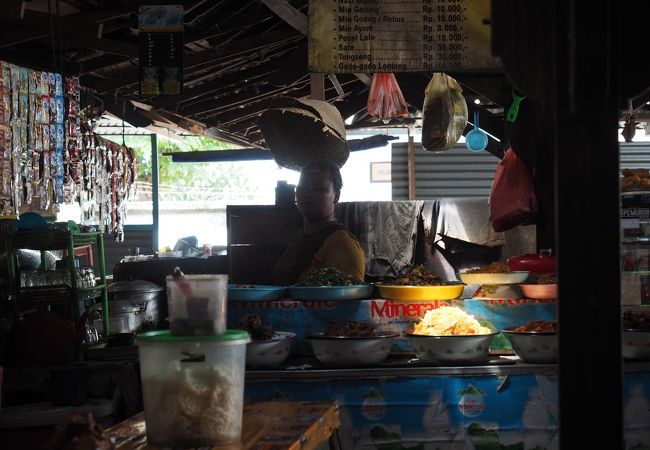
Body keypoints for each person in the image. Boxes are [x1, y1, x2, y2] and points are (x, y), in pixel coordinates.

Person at [273, 160, 365, 285]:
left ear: (336, 196)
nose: (308, 193)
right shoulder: (298, 235)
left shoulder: (342, 243)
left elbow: (350, 296)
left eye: (319, 188)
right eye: (303, 187)